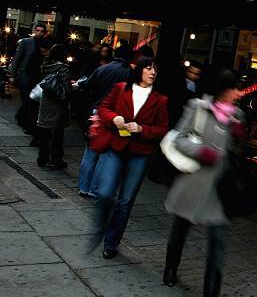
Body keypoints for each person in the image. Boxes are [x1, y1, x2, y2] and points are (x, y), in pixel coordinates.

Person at [163, 68, 245, 297]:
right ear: (223, 89)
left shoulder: (238, 116)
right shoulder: (198, 108)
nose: (239, 93)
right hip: (194, 183)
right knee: (180, 230)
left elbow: (235, 151)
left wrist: (240, 138)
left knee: (218, 247)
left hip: (220, 192)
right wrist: (202, 152)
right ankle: (170, 267)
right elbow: (178, 139)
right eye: (235, 88)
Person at [89, 57, 168, 259]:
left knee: (125, 201)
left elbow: (162, 129)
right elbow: (104, 108)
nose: (152, 73)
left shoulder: (160, 100)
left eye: (155, 70)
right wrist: (113, 118)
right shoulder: (120, 88)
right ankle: (102, 222)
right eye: (149, 68)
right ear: (140, 70)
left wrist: (142, 129)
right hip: (116, 146)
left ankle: (110, 243)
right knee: (105, 193)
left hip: (140, 154)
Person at [78, 44, 133, 197]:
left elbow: (88, 85)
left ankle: (83, 187)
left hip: (96, 112)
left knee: (90, 152)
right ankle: (95, 189)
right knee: (105, 154)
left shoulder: (102, 69)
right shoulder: (129, 72)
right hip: (115, 117)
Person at [9, 23, 47, 141]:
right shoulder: (26, 42)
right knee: (27, 101)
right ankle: (27, 124)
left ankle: (23, 119)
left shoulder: (45, 44)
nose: (39, 33)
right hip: (25, 76)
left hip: (37, 78)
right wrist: (12, 75)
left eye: (41, 31)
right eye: (38, 30)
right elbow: (17, 58)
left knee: (32, 102)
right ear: (34, 30)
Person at [36, 44, 71, 168]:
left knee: (45, 131)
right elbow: (66, 87)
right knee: (57, 133)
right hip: (58, 103)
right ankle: (56, 159)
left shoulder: (45, 65)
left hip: (46, 100)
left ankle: (42, 158)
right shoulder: (63, 68)